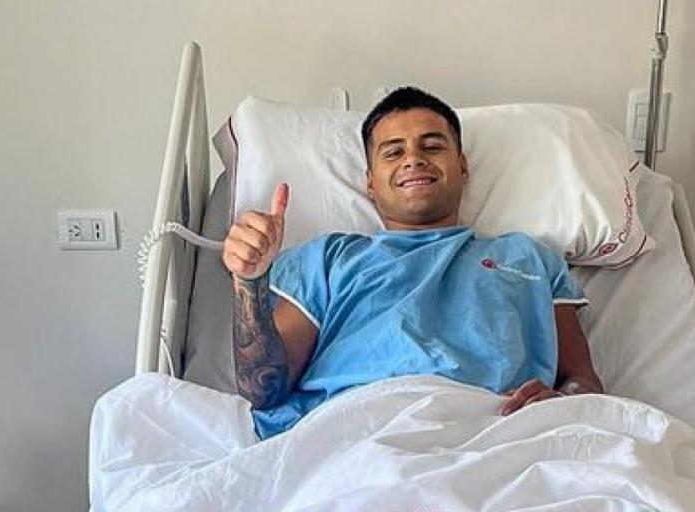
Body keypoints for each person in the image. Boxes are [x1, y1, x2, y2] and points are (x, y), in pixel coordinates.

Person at [221, 87, 603, 439]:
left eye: (432, 146)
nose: (414, 159)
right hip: (355, 438)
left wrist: (560, 403)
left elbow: (582, 381)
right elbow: (264, 390)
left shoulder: (529, 258)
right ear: (370, 183)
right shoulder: (326, 260)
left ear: (462, 166)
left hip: (495, 436)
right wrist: (249, 284)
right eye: (393, 152)